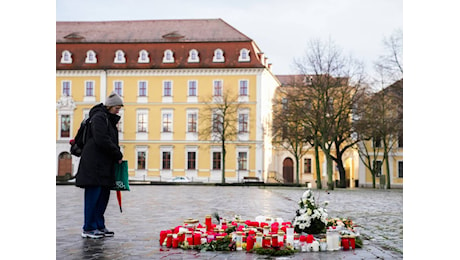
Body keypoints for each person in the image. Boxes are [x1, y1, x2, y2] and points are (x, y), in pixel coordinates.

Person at [75, 92, 124, 239]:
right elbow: (101, 139)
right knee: (93, 197)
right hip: (93, 165)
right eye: (117, 107)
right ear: (109, 106)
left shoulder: (108, 119)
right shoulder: (99, 117)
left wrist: (115, 154)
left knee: (103, 196)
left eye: (119, 107)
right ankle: (88, 228)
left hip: (104, 165)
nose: (118, 110)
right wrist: (117, 154)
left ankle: (99, 225)